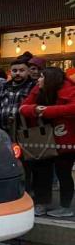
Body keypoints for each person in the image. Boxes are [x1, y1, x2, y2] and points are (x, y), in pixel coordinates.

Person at [20, 67, 75, 217]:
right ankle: (42, 204)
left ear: (50, 79)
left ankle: (65, 207)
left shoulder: (70, 89)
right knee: (42, 172)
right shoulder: (37, 89)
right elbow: (23, 107)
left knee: (63, 173)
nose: (38, 79)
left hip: (66, 140)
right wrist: (35, 109)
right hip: (43, 139)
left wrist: (46, 111)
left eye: (41, 76)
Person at [0, 58, 35, 136]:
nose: (18, 73)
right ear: (10, 72)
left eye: (22, 70)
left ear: (28, 72)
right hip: (3, 133)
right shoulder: (3, 87)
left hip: (26, 133)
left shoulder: (33, 87)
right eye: (14, 71)